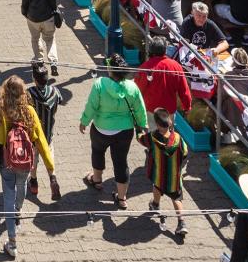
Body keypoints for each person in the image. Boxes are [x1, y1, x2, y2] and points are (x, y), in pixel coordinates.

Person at [0, 75, 56, 259]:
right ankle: (18, 211)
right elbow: (41, 140)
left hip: (8, 162)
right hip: (26, 162)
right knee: (22, 187)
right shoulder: (29, 111)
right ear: (23, 93)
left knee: (8, 197)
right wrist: (50, 167)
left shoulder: (3, 111)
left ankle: (12, 241)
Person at [80, 54, 149, 210]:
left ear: (110, 70)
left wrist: (84, 121)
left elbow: (91, 106)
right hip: (125, 131)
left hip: (101, 129)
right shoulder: (132, 87)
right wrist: (143, 125)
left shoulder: (100, 84)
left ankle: (97, 180)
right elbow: (139, 108)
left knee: (97, 152)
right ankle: (122, 198)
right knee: (121, 161)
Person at [141, 108, 189, 236]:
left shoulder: (152, 137)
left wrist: (138, 130)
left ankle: (155, 204)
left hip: (159, 175)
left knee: (157, 187)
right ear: (169, 122)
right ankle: (182, 223)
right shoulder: (177, 138)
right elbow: (185, 152)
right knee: (176, 198)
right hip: (174, 177)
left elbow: (141, 139)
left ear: (157, 124)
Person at [20, 0, 62, 76]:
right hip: (48, 18)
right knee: (50, 39)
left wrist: (25, 13)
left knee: (35, 38)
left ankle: (39, 60)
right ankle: (53, 62)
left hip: (32, 18)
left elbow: (24, 2)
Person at [136, 37, 192, 116]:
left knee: (151, 128)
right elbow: (184, 90)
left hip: (150, 110)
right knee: (168, 129)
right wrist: (187, 107)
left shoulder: (144, 67)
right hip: (168, 111)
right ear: (165, 50)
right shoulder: (176, 66)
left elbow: (138, 89)